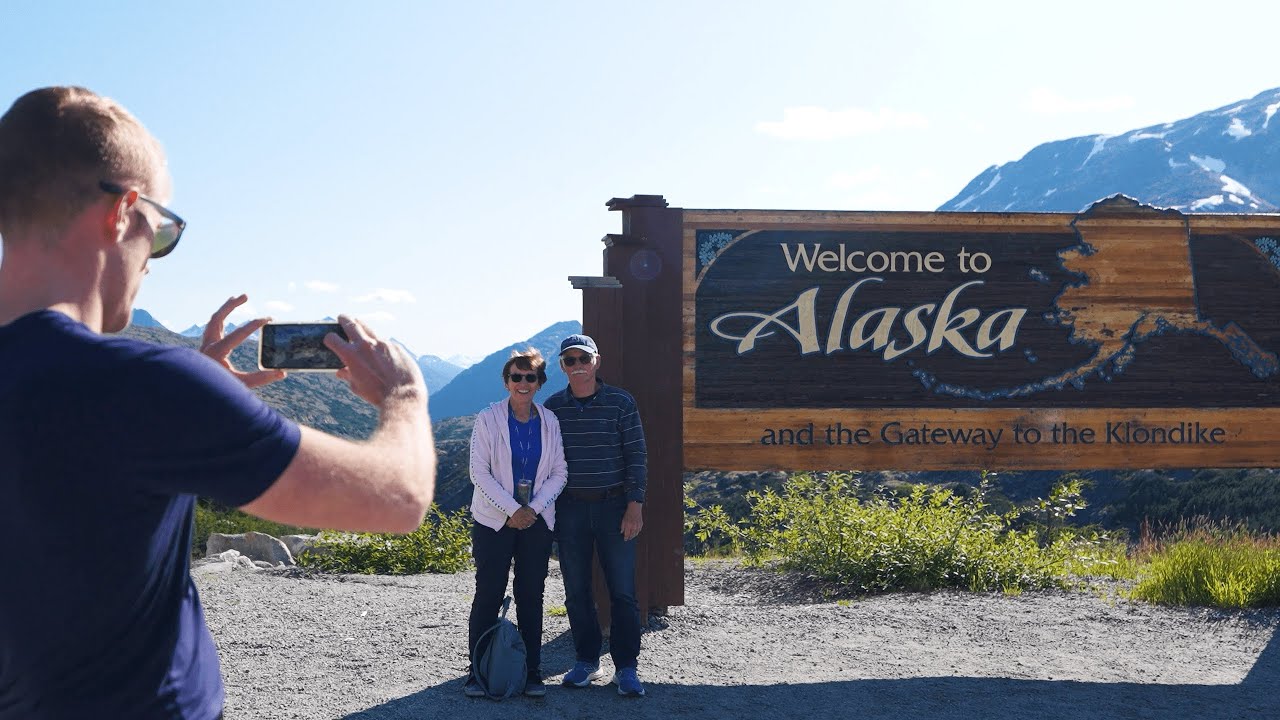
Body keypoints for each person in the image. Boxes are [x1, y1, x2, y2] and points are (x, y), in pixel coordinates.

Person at [0, 86, 435, 720]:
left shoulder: (126, 393)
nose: (153, 261)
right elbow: (396, 499)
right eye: (163, 231)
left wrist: (193, 398)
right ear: (122, 211)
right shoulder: (142, 387)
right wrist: (402, 394)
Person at [542, 333, 648, 697]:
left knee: (623, 592)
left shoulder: (621, 402)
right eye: (570, 361)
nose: (577, 367)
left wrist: (635, 504)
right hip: (569, 508)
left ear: (596, 361)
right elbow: (545, 462)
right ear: (562, 366)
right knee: (575, 591)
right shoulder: (553, 407)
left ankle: (627, 668)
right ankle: (587, 661)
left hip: (615, 507)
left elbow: (636, 454)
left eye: (583, 359)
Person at [464, 349, 568, 698]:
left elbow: (559, 472)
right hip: (494, 520)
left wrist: (533, 509)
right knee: (488, 593)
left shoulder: (550, 421)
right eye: (516, 377)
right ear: (506, 381)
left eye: (530, 377)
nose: (523, 383)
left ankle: (532, 672)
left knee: (531, 596)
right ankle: (477, 672)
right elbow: (479, 472)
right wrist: (511, 509)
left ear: (539, 382)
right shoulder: (488, 419)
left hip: (536, 520)